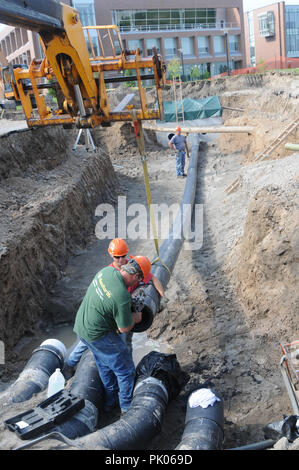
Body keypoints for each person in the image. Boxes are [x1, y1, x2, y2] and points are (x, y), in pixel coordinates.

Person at [64, 239, 168, 371]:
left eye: (123, 256)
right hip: (112, 314)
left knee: (127, 341)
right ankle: (69, 364)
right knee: (87, 342)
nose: (120, 260)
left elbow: (153, 278)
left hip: (126, 310)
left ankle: (129, 367)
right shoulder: (109, 272)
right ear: (111, 255)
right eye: (116, 257)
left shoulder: (134, 267)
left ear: (127, 255)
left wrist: (162, 297)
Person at [72, 256, 151, 414]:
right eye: (138, 280)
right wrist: (135, 318)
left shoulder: (106, 271)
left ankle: (110, 401)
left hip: (81, 327)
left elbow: (108, 302)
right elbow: (124, 328)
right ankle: (126, 408)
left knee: (103, 363)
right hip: (97, 334)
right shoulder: (121, 296)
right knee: (125, 369)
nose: (137, 284)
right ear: (136, 276)